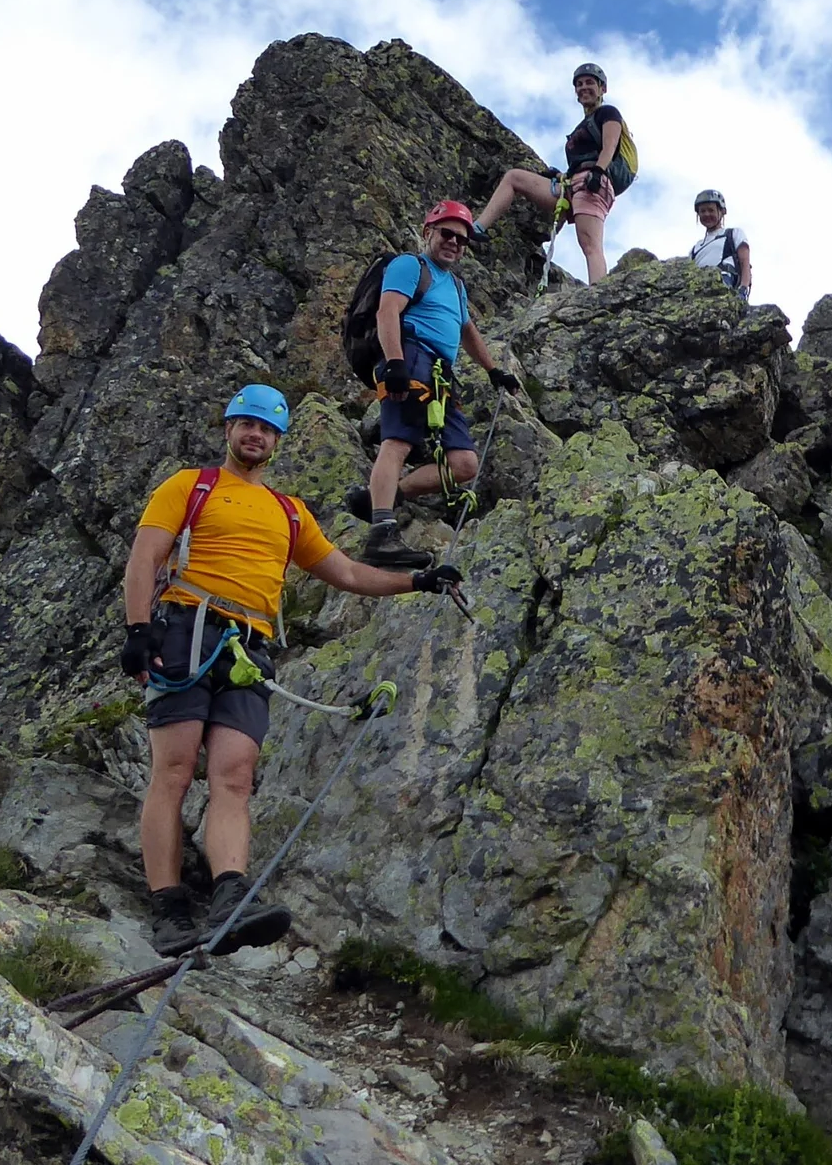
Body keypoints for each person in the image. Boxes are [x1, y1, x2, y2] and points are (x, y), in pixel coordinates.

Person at [119, 383, 463, 957]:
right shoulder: (191, 485)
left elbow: (348, 574)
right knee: (174, 771)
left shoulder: (288, 511)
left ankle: (231, 893)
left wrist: (418, 580)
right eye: (246, 425)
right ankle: (169, 906)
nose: (255, 435)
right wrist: (137, 631)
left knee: (234, 777)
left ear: (277, 442)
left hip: (249, 646)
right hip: (185, 629)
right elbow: (145, 556)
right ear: (228, 430)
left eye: (267, 429)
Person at [349, 199, 518, 566]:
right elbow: (388, 309)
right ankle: (382, 532)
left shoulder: (456, 286)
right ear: (428, 232)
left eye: (462, 240)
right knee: (398, 442)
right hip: (410, 356)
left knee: (464, 464)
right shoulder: (410, 265)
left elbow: (468, 331)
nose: (455, 243)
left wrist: (493, 371)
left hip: (442, 372)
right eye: (448, 234)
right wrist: (394, 361)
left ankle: (389, 495)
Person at [472, 63, 623, 284]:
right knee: (514, 177)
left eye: (590, 82)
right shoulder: (583, 125)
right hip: (573, 184)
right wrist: (564, 174)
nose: (583, 87)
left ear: (603, 88)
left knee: (590, 244)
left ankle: (599, 293)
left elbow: (610, 146)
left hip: (593, 182)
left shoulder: (608, 113)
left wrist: (598, 172)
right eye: (579, 84)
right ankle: (477, 227)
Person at [688, 189, 752, 301]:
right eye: (702, 211)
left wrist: (743, 288)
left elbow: (745, 263)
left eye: (711, 210)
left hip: (724, 282)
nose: (707, 214)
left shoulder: (733, 234)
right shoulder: (695, 249)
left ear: (722, 211)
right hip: (698, 289)